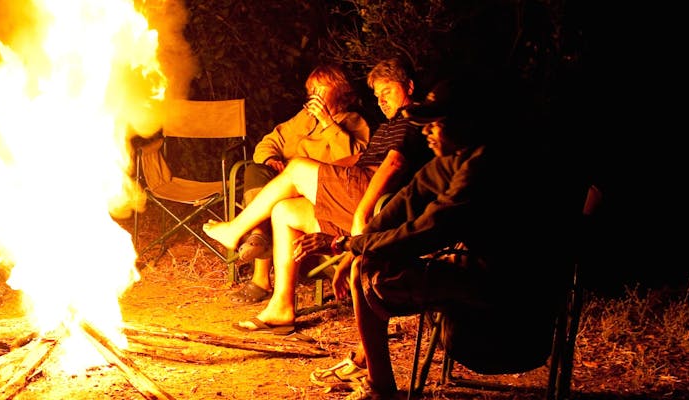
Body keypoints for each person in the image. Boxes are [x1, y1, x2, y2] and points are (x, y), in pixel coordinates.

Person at [291, 80, 574, 399]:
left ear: (465, 124)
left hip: (511, 299)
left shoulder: (485, 165)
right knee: (363, 267)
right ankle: (379, 383)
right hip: (479, 274)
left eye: (436, 124)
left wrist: (344, 244)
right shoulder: (453, 161)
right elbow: (403, 205)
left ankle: (381, 388)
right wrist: (352, 253)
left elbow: (427, 230)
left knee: (374, 275)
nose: (426, 133)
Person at [202, 57, 433, 334]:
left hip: (375, 203)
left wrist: (363, 216)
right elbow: (358, 158)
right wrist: (314, 173)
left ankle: (235, 229)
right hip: (357, 193)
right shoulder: (388, 125)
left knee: (298, 167)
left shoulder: (413, 119)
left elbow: (392, 166)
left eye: (388, 92)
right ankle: (281, 307)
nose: (381, 101)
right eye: (377, 95)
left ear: (409, 86)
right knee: (284, 211)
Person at [227, 64, 371, 304]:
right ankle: (259, 238)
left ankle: (260, 274)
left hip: (318, 192)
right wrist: (271, 159)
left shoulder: (354, 121)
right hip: (285, 184)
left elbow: (355, 160)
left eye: (320, 88)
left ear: (340, 91)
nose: (314, 93)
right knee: (256, 170)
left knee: (277, 202)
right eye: (310, 89)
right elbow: (268, 142)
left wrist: (327, 123)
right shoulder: (303, 119)